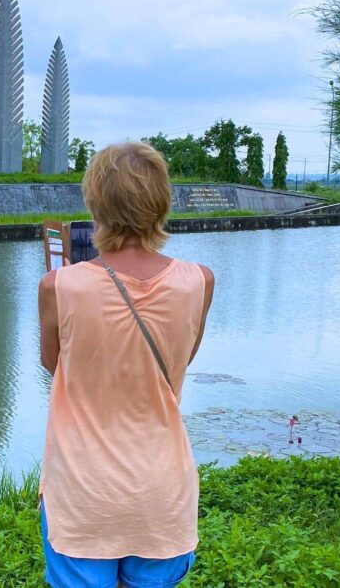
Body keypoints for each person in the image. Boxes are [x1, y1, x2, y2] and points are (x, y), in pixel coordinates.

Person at [38, 142, 215, 588]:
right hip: (161, 491)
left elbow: (55, 364)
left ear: (95, 202)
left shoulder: (58, 285)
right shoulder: (199, 281)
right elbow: (180, 360)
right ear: (162, 203)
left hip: (82, 491)